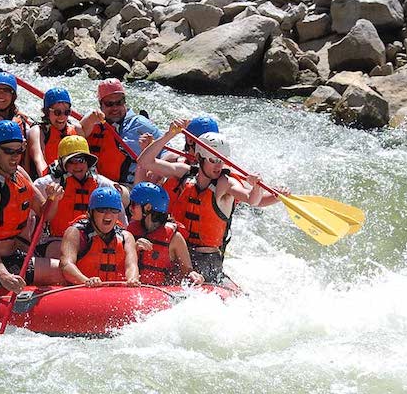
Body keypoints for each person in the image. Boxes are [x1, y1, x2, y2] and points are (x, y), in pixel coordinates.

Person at [137, 120, 285, 282]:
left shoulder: (225, 183)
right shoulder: (184, 173)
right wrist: (169, 135)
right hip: (177, 251)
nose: (218, 166)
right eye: (213, 160)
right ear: (199, 157)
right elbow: (144, 162)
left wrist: (256, 186)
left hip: (206, 259)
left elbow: (252, 200)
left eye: (221, 160)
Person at [0, 120, 64, 293]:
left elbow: (44, 213)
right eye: (8, 151)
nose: (15, 156)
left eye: (19, 150)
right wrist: (3, 275)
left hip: (14, 255)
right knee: (60, 273)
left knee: (64, 269)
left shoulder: (20, 173)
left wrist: (54, 199)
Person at [33, 135, 127, 259]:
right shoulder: (44, 184)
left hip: (91, 241)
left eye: (81, 160)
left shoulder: (103, 185)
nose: (77, 165)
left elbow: (122, 222)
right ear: (62, 163)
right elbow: (32, 219)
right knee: (63, 251)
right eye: (72, 161)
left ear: (87, 162)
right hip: (55, 240)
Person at [80, 78, 162, 185]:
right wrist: (86, 122)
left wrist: (156, 171)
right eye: (109, 104)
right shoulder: (92, 122)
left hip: (128, 187)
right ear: (101, 105)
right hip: (94, 182)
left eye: (119, 102)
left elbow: (168, 152)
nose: (115, 108)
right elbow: (74, 137)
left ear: (124, 102)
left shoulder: (140, 124)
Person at [126, 182, 204, 286]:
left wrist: (194, 276)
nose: (130, 208)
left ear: (148, 207)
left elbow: (187, 271)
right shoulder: (130, 230)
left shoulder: (175, 238)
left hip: (161, 290)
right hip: (135, 287)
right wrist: (133, 250)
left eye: (133, 204)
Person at [60, 187, 140, 287]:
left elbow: (131, 266)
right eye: (102, 209)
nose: (108, 214)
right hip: (83, 289)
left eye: (114, 210)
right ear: (91, 212)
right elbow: (66, 264)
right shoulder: (76, 233)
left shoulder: (126, 237)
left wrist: (132, 280)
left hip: (114, 292)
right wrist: (86, 281)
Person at [26, 87, 82, 177]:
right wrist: (49, 181)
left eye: (66, 112)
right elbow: (39, 160)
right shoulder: (38, 131)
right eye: (57, 112)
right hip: (48, 178)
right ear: (47, 112)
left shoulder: (76, 129)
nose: (62, 117)